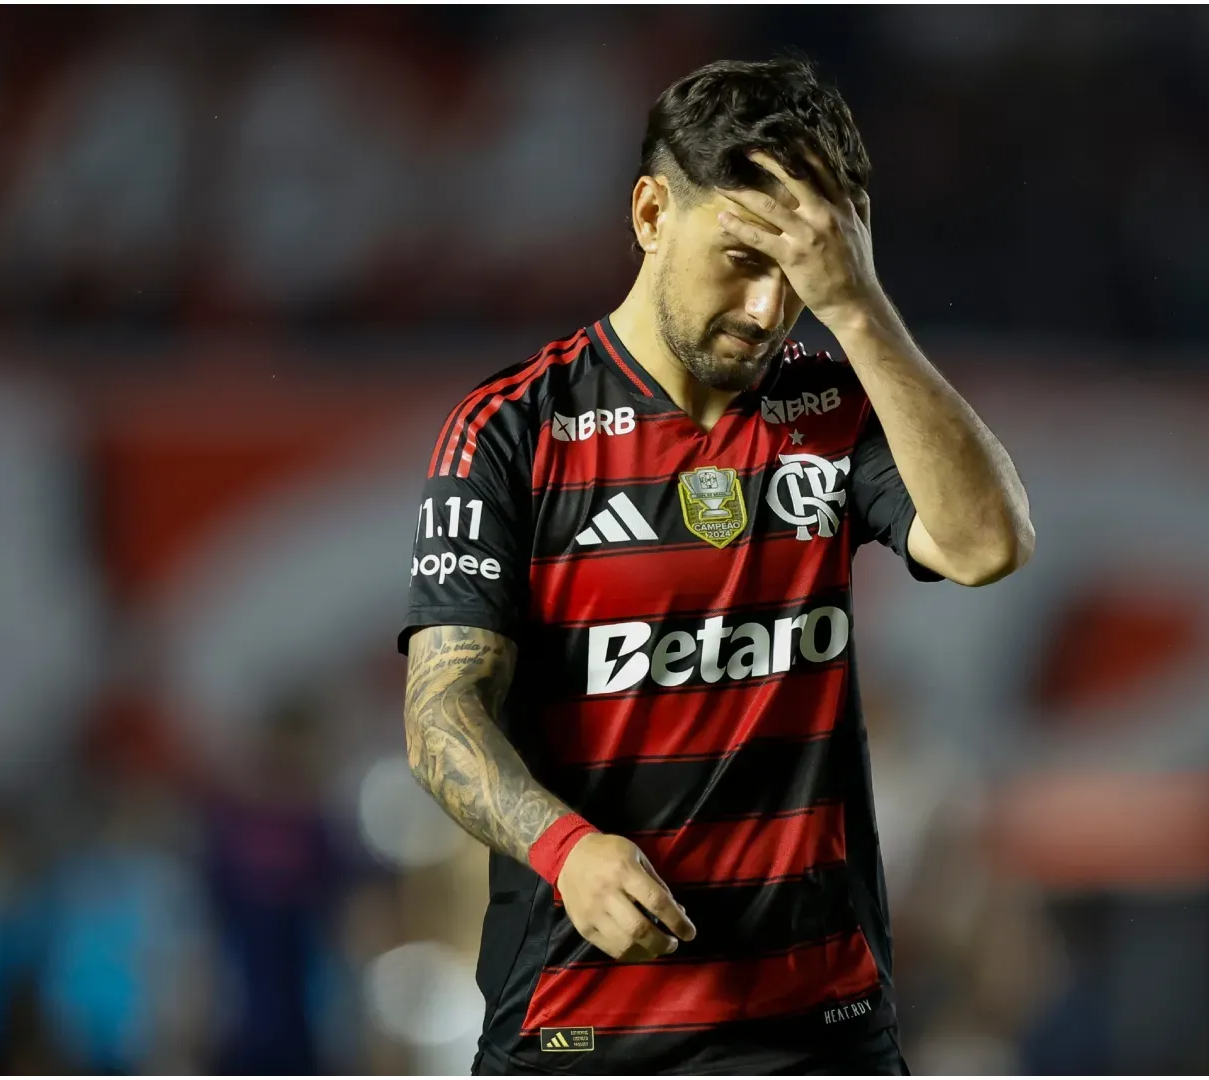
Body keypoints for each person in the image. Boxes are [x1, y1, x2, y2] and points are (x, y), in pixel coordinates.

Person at [398, 55, 1034, 1076]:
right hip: (581, 1032)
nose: (769, 305)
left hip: (818, 1032)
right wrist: (567, 849)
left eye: (805, 271)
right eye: (741, 256)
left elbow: (987, 545)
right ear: (652, 214)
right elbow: (441, 714)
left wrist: (860, 310)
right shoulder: (512, 433)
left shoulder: (834, 407)